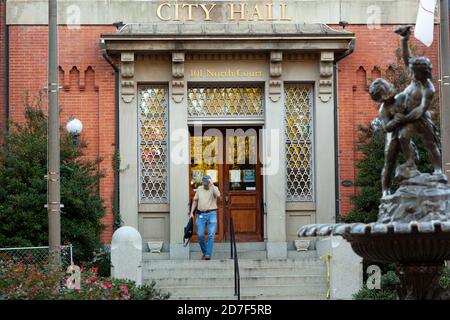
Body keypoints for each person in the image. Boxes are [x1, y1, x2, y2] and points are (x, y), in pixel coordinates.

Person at [189, 175, 221, 260]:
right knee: (200, 235)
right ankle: (205, 252)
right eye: (204, 182)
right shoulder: (199, 189)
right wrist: (192, 212)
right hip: (200, 215)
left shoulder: (214, 188)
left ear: (210, 182)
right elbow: (195, 201)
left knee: (211, 235)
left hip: (212, 214)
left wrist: (212, 185)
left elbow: (218, 195)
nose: (205, 184)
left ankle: (207, 255)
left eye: (207, 182)